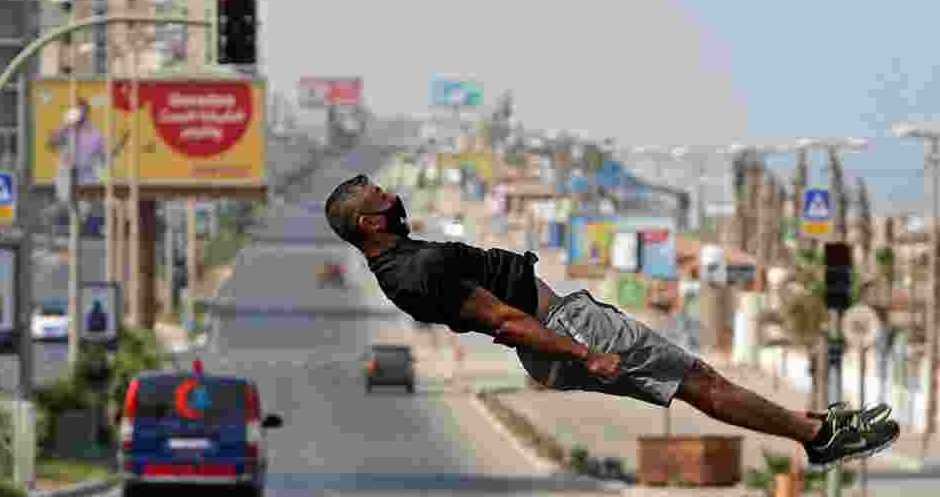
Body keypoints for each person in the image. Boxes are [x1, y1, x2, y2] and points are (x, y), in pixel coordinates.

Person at [324, 174, 900, 472]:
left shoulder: (396, 269)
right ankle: (820, 437)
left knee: (696, 385)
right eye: (382, 198)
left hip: (562, 330)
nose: (394, 199)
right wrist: (585, 352)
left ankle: (813, 427)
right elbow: (503, 320)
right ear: (368, 224)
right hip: (567, 328)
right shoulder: (417, 269)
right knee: (701, 382)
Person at [47, 98, 107, 186]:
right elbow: (51, 145)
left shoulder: (95, 133)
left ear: (87, 113)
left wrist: (104, 158)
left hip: (87, 178)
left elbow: (103, 158)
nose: (81, 115)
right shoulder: (65, 129)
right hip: (66, 177)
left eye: (83, 111)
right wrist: (65, 126)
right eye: (77, 111)